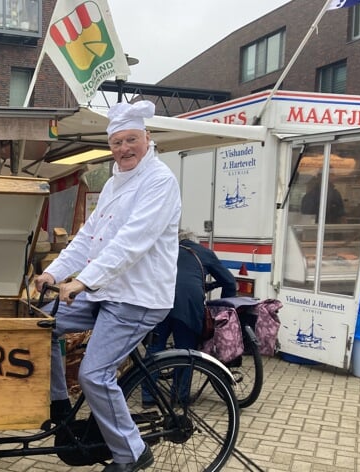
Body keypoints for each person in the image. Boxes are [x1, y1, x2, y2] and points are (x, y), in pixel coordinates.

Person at [34, 100, 181, 472]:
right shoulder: (116, 181)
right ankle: (59, 405)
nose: (124, 149)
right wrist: (55, 272)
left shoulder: (160, 181)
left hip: (138, 297)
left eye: (131, 140)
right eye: (117, 142)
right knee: (41, 325)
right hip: (107, 292)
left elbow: (131, 242)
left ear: (147, 138)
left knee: (94, 374)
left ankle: (132, 454)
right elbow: (87, 238)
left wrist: (83, 280)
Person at [143, 230, 236, 404]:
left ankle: (148, 396)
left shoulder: (167, 250)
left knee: (155, 347)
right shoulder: (205, 253)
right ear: (196, 242)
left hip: (160, 302)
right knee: (185, 352)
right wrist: (225, 309)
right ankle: (179, 397)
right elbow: (230, 282)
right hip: (188, 306)